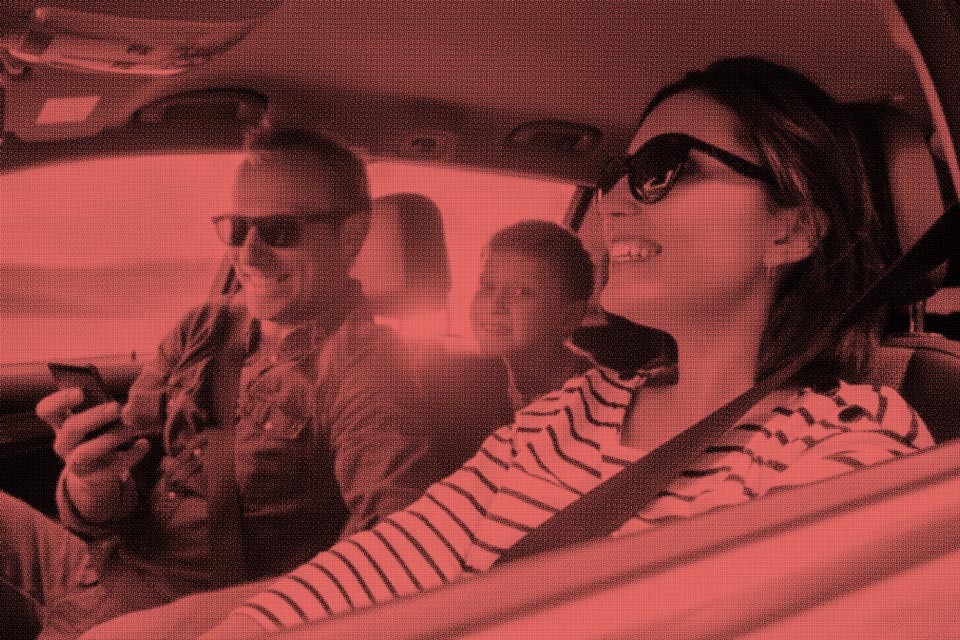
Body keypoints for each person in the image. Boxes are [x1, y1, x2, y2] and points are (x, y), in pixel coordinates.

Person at [85, 57, 936, 640]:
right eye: (613, 175)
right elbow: (384, 567)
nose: (613, 205)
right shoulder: (575, 409)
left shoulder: (849, 447)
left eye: (665, 168)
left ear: (791, 229)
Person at [2, 125, 440, 639]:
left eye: (279, 231)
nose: (247, 256)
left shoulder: (365, 364)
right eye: (237, 229)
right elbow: (130, 482)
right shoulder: (203, 329)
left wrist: (199, 624)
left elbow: (398, 539)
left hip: (188, 615)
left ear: (350, 236)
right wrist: (91, 484)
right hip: (97, 572)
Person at [470, 220, 595, 412]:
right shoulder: (475, 380)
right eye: (487, 286)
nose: (494, 305)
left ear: (569, 317)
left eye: (522, 292)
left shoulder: (592, 398)